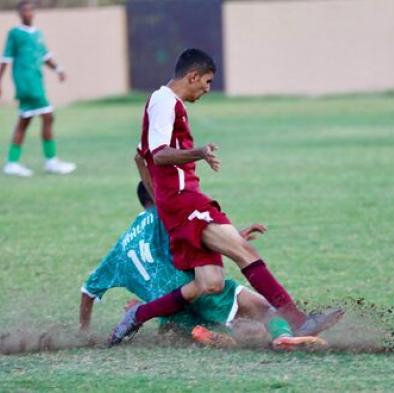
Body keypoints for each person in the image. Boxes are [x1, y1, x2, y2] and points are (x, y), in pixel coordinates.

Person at [110, 48, 342, 345]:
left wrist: (162, 206)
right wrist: (199, 153)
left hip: (177, 204)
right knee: (243, 250)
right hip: (184, 200)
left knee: (210, 283)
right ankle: (299, 321)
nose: (208, 89)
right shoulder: (164, 101)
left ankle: (139, 315)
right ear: (192, 76)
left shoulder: (166, 104)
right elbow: (159, 154)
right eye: (206, 82)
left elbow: (140, 158)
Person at [80, 182, 327, 351]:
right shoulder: (164, 217)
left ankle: (204, 333)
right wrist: (234, 241)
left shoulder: (121, 246)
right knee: (266, 310)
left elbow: (88, 290)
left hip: (165, 307)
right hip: (198, 287)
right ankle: (282, 336)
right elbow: (196, 244)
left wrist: (84, 330)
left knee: (181, 326)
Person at [0, 0, 75, 177]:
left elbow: (45, 56)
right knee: (48, 116)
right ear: (19, 14)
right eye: (25, 10)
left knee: (25, 121)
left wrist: (58, 69)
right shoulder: (15, 34)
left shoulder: (37, 34)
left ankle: (12, 162)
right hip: (26, 83)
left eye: (31, 10)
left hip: (37, 81)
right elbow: (5, 59)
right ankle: (50, 161)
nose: (28, 13)